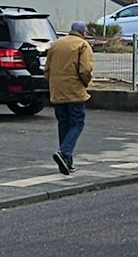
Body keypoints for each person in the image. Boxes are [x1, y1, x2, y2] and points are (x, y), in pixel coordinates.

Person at [45, 19, 94, 175]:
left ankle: (66, 162)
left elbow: (47, 69)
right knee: (77, 123)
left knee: (63, 124)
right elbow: (85, 70)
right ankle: (64, 152)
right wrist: (85, 83)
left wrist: (54, 83)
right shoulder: (82, 45)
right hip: (74, 91)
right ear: (83, 32)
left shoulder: (56, 44)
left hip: (57, 91)